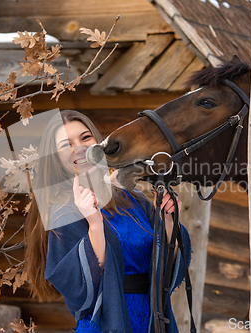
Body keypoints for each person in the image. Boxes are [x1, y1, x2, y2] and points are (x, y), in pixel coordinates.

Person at [24, 110, 192, 333]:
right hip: (107, 323)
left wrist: (168, 220)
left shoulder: (134, 200)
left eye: (85, 138)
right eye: (66, 144)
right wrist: (94, 223)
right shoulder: (62, 212)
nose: (79, 148)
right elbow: (82, 288)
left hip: (155, 320)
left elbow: (168, 264)